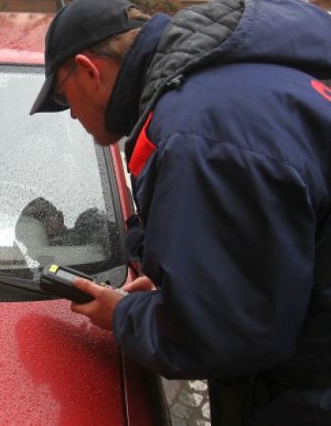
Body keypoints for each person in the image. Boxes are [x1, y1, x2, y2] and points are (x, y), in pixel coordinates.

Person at [30, 0, 331, 424]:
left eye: (64, 96)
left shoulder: (197, 132)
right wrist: (185, 274)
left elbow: (225, 334)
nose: (74, 114)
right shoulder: (236, 86)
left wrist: (124, 316)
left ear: (89, 69)